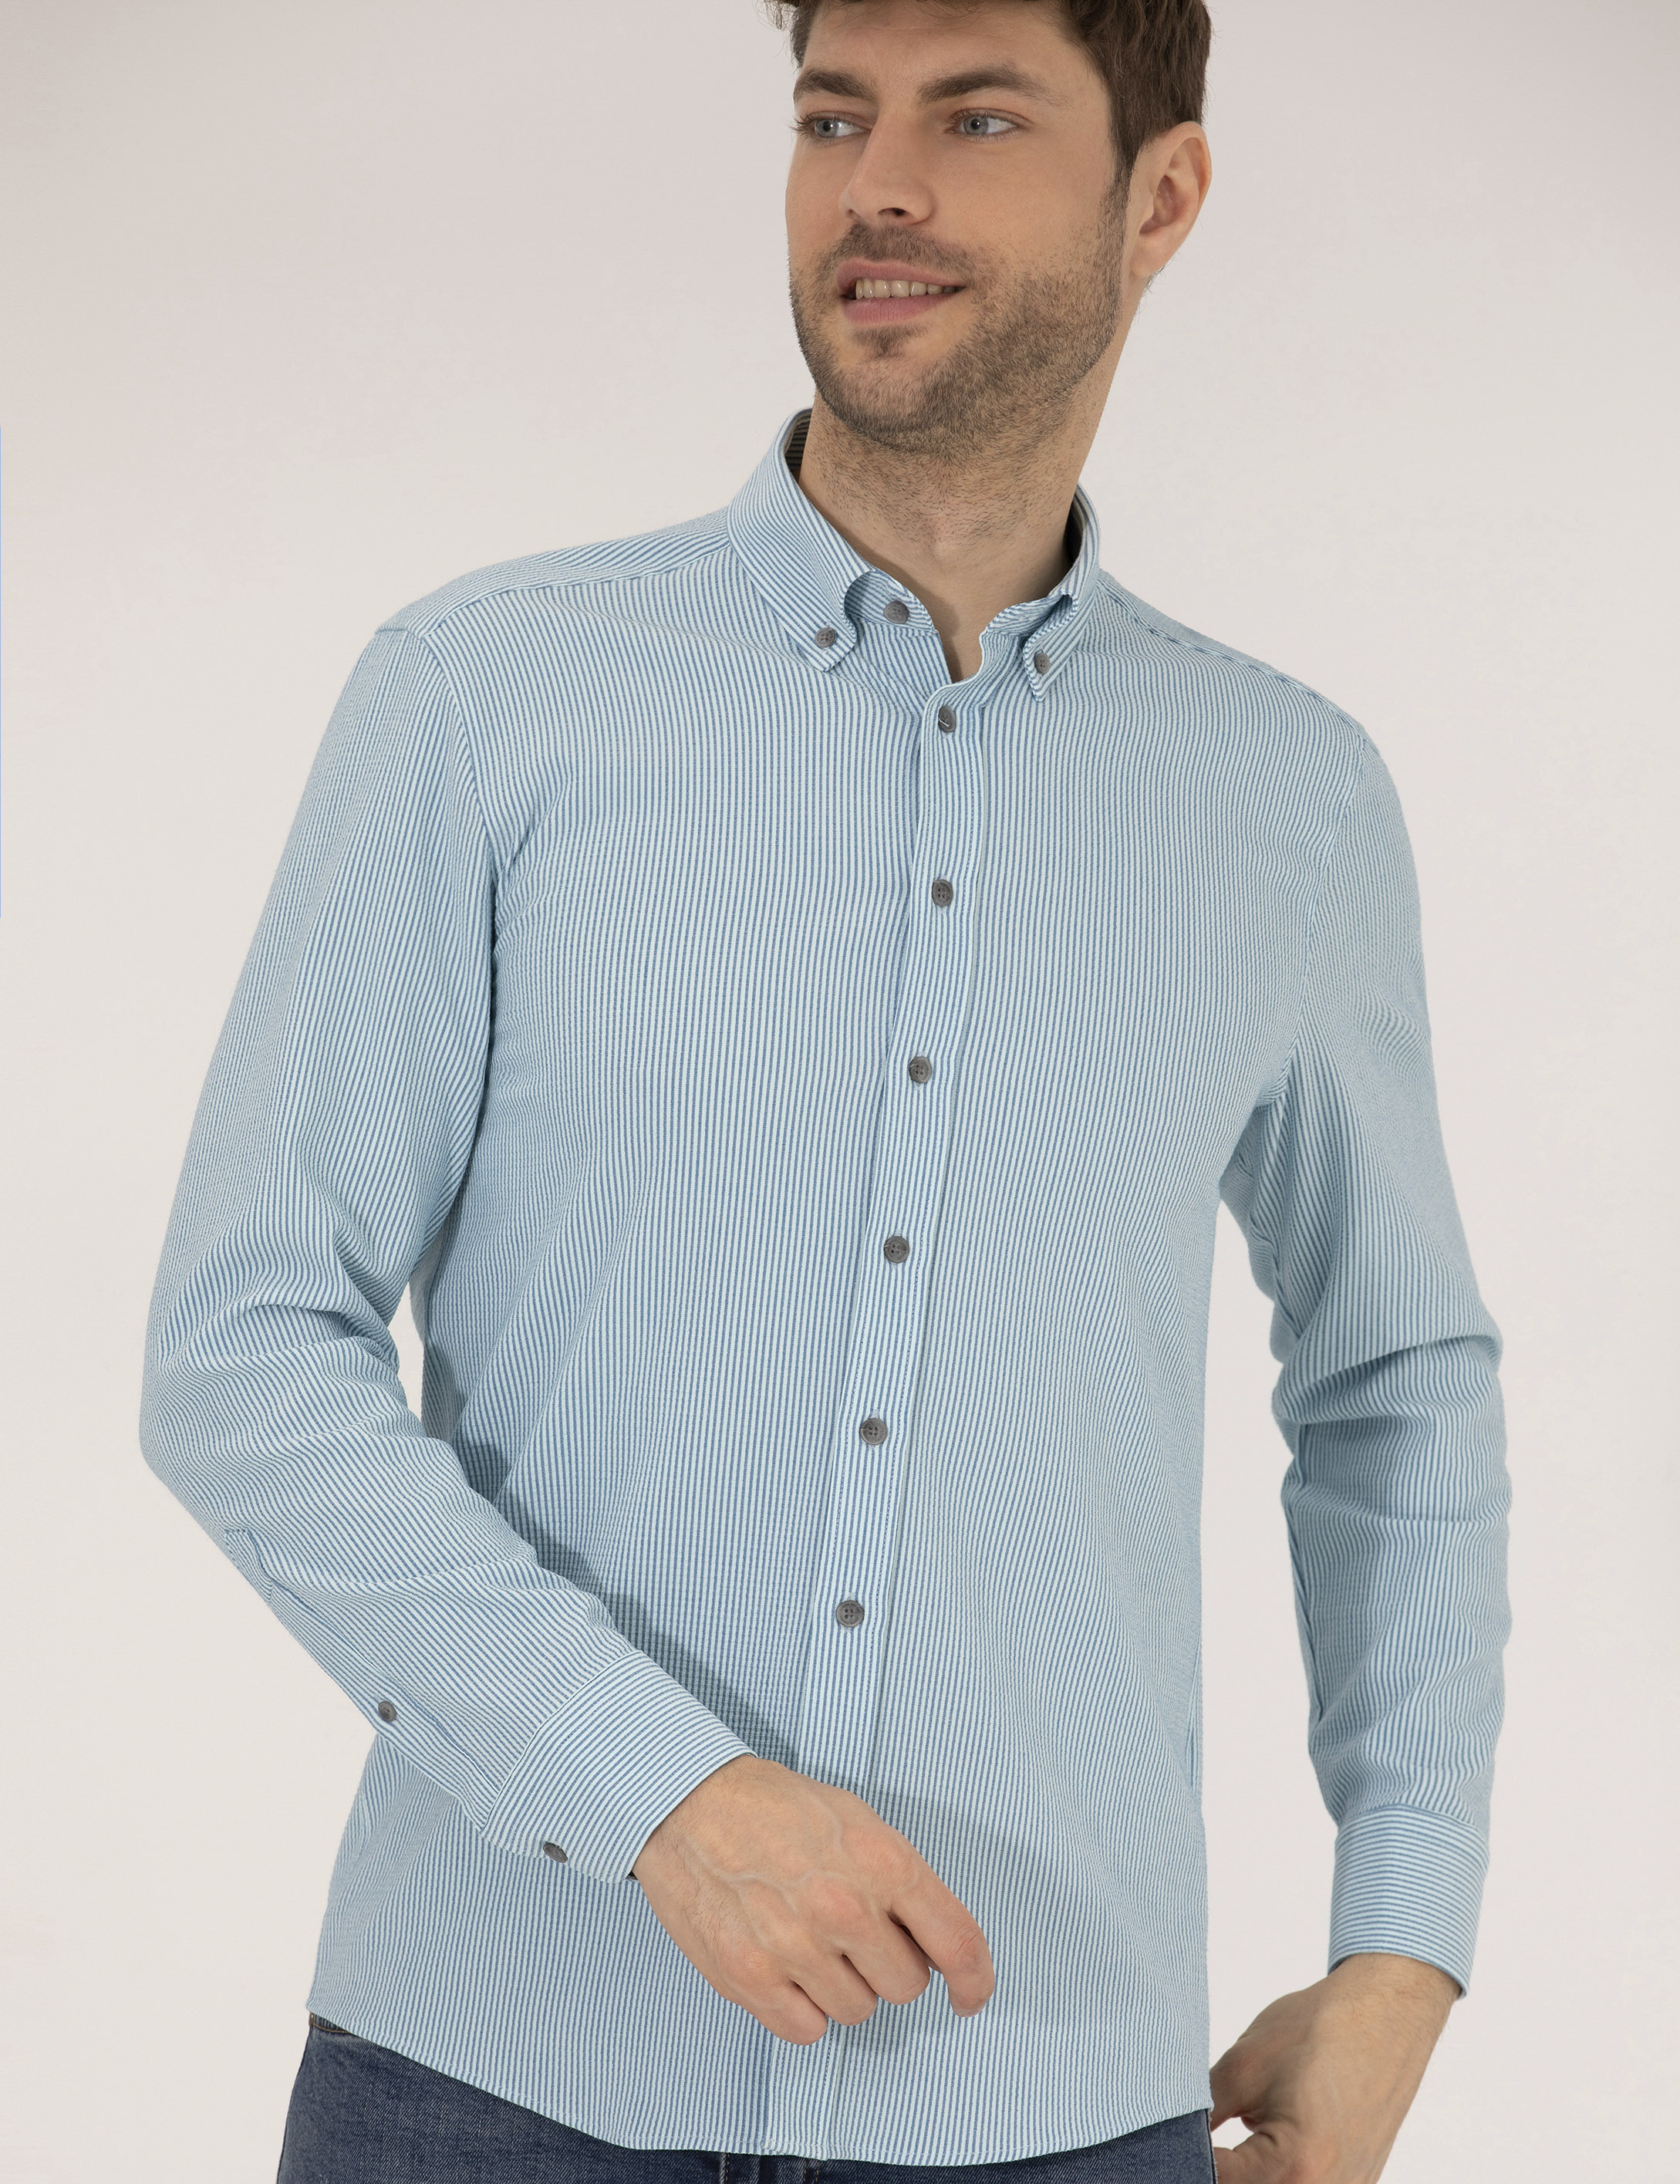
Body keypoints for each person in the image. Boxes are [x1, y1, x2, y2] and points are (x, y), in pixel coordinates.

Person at [139, 3, 1510, 2179]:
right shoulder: (486, 698)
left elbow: (1394, 1384)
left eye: (976, 115)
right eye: (832, 114)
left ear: (1159, 195)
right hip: (489, 2085)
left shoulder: (1287, 802)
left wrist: (1402, 1950)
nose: (879, 184)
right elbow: (240, 1342)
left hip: (1053, 2108)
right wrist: (658, 1794)